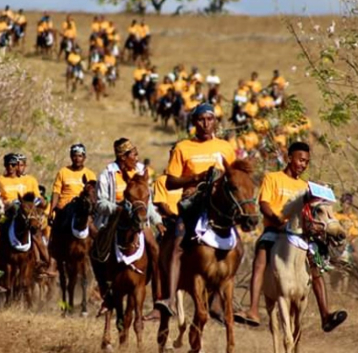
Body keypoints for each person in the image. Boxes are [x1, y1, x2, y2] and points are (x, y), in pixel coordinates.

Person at [234, 142, 347, 332]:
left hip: (298, 235)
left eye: (307, 162)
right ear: (289, 158)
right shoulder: (273, 178)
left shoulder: (306, 187)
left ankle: (325, 314)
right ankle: (253, 309)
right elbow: (264, 204)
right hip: (275, 230)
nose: (303, 165)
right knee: (261, 256)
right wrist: (276, 219)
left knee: (315, 265)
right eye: (301, 160)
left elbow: (310, 213)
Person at [154, 103, 236, 317]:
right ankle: (170, 298)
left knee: (238, 246)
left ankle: (222, 299)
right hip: (193, 204)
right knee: (178, 245)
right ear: (194, 122)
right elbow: (170, 182)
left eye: (210, 119)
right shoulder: (183, 147)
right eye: (201, 119)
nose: (206, 123)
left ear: (215, 121)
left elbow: (235, 177)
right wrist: (197, 178)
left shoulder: (226, 147)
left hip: (219, 206)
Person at [94, 138, 164, 319]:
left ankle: (159, 299)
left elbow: (147, 201)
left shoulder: (141, 171)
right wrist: (118, 208)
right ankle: (105, 293)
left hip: (139, 220)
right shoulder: (107, 174)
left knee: (155, 248)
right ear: (122, 157)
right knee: (98, 251)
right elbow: (100, 203)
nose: (136, 157)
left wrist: (157, 221)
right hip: (115, 219)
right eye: (133, 154)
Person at [49, 144, 97, 219]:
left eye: (80, 156)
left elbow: (93, 195)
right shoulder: (63, 172)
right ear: (71, 157)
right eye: (74, 156)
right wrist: (51, 210)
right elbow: (56, 192)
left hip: (82, 211)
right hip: (63, 210)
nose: (77, 159)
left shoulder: (90, 174)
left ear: (84, 158)